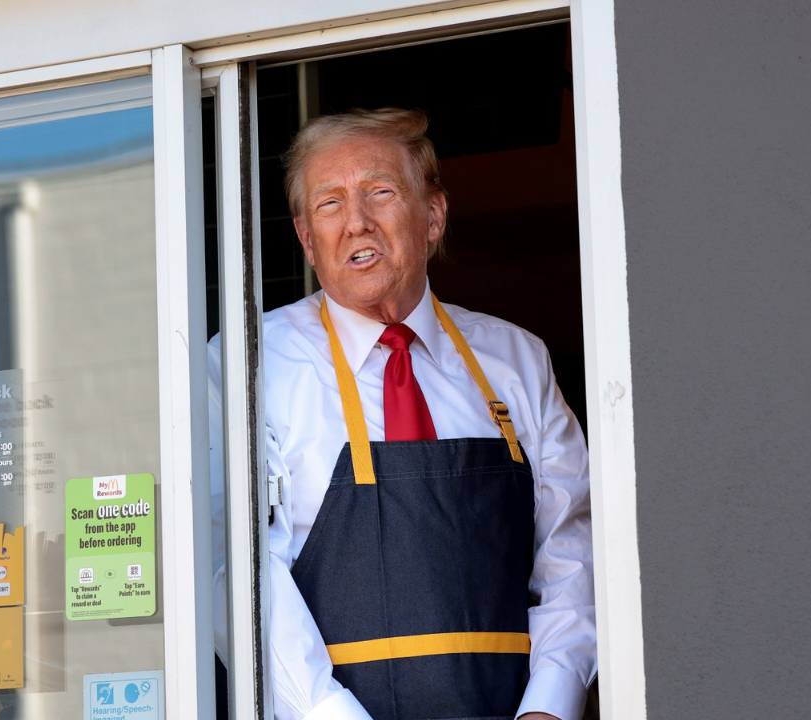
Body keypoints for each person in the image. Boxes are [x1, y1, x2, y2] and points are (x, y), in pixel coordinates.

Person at [210, 108, 595, 720]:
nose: (356, 222)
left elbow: (572, 547)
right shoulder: (251, 366)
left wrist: (549, 706)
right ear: (308, 239)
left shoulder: (516, 359)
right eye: (330, 203)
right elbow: (242, 574)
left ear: (434, 216)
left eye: (379, 192)